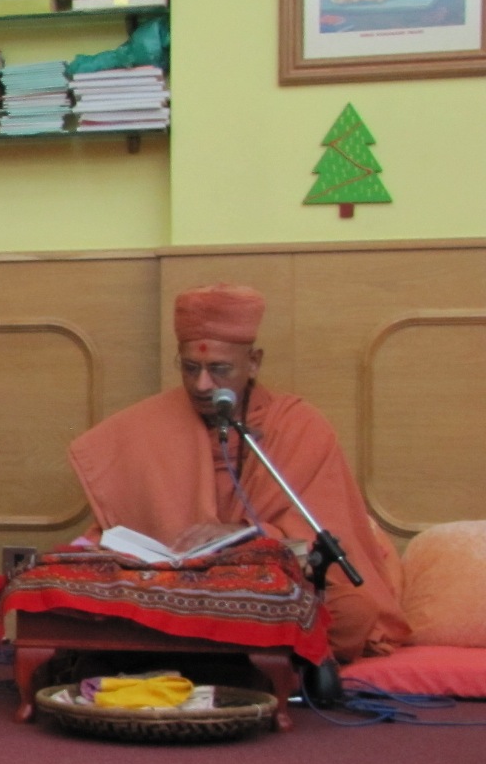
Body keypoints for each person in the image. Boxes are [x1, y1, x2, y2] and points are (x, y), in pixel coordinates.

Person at [67, 283, 409, 662]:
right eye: (191, 368)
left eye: (219, 370)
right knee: (74, 588)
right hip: (172, 581)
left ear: (254, 362)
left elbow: (320, 533)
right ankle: (230, 658)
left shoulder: (298, 426)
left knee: (352, 614)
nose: (202, 385)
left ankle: (185, 656)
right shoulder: (144, 424)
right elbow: (117, 529)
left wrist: (248, 535)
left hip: (267, 579)